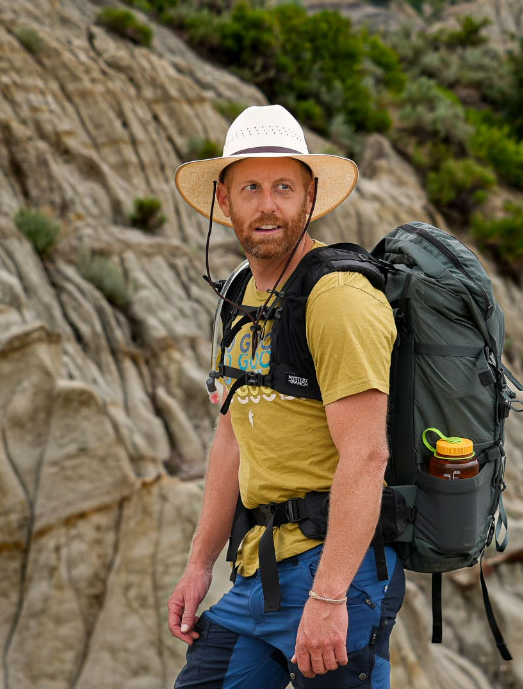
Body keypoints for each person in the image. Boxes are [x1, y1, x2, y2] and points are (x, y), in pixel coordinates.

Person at [167, 105, 402, 689]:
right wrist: (200, 564)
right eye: (250, 187)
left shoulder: (338, 299)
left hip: (334, 575)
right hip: (259, 572)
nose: (266, 204)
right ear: (224, 202)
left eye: (283, 187)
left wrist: (329, 596)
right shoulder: (240, 295)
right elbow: (233, 435)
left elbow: (368, 455)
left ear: (309, 196)